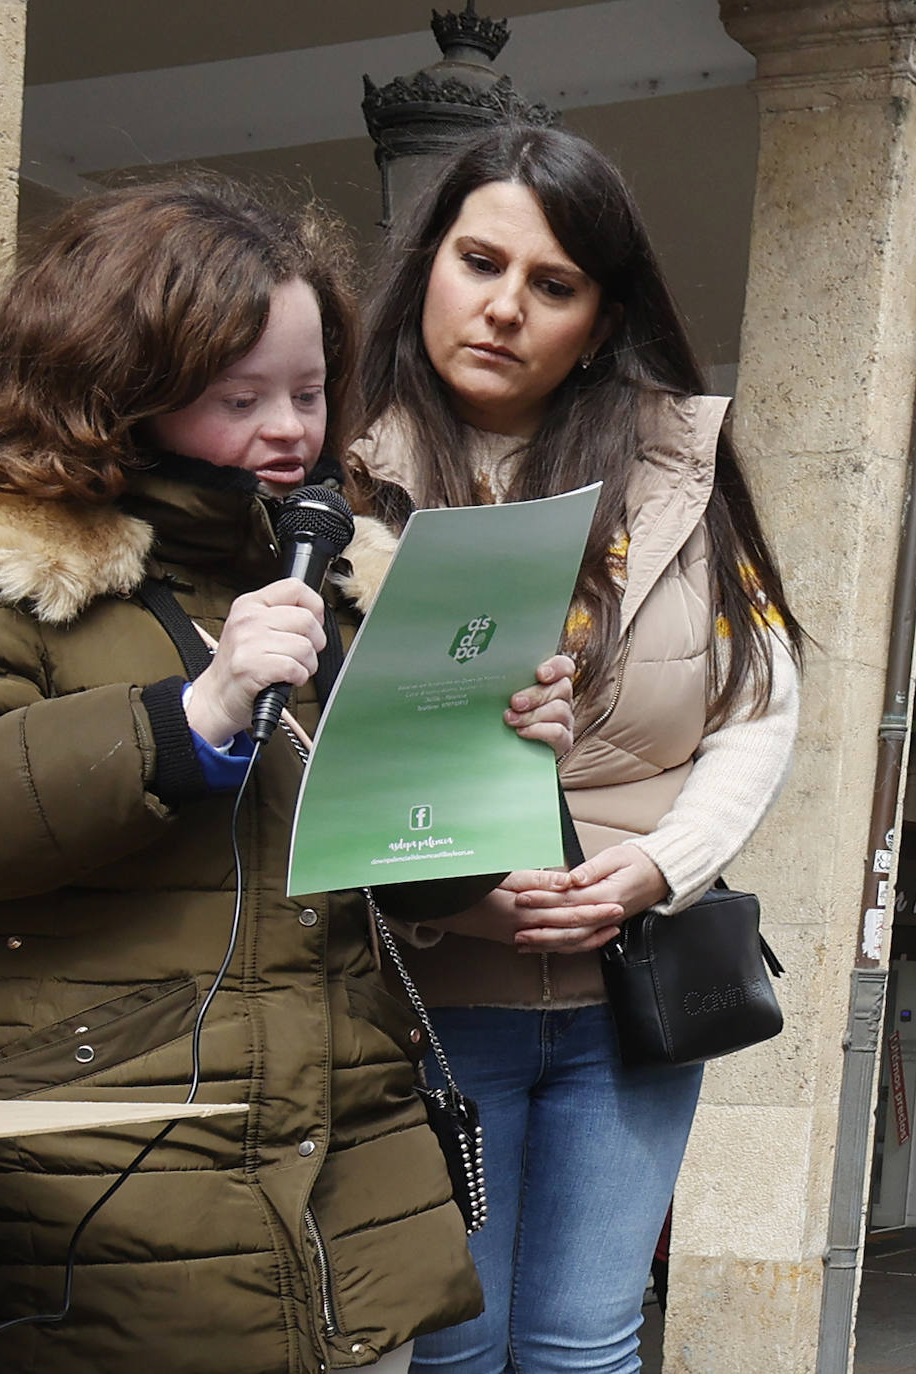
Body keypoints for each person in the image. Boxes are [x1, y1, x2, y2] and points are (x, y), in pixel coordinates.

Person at [0, 177, 580, 1374]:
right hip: (107, 1180)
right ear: (113, 387)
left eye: (307, 389)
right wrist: (191, 714)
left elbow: (417, 889)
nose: (292, 427)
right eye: (242, 398)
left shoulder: (336, 581)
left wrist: (489, 757)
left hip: (344, 1185)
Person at [346, 122, 804, 1374]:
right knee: (448, 1348)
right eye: (478, 262)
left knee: (586, 1344)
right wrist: (450, 895)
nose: (504, 308)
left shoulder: (677, 470)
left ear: (600, 318)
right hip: (426, 1000)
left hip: (632, 995)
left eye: (552, 285)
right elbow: (302, 752)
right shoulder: (333, 469)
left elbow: (760, 701)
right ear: (426, 266)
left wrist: (664, 864)